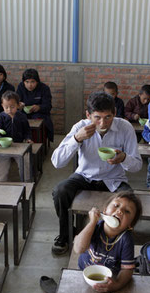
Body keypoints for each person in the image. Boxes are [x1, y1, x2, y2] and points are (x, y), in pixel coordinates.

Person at [51, 91, 142, 254]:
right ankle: (65, 234)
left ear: (115, 113)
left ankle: (116, 239)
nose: (103, 123)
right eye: (97, 117)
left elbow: (137, 166)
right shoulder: (80, 127)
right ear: (88, 115)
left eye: (108, 117)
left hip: (113, 179)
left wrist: (123, 158)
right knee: (60, 191)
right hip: (84, 176)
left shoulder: (125, 128)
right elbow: (57, 162)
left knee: (130, 201)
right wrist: (77, 139)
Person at [0, 91, 33, 181]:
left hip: (19, 144)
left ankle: (27, 181)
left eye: (12, 107)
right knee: (1, 165)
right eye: (6, 107)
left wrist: (28, 138)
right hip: (4, 146)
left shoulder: (22, 116)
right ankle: (2, 182)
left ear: (18, 105)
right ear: (2, 106)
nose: (9, 110)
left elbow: (27, 130)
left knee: (25, 162)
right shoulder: (1, 117)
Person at [17, 68, 54, 142]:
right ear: (23, 82)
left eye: (32, 82)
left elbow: (48, 106)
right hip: (24, 113)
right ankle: (18, 142)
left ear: (37, 81)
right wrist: (19, 105)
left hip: (40, 113)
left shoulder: (44, 88)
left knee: (39, 121)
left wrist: (39, 107)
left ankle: (38, 144)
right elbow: (15, 101)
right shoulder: (21, 87)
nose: (29, 85)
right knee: (17, 119)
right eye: (27, 82)